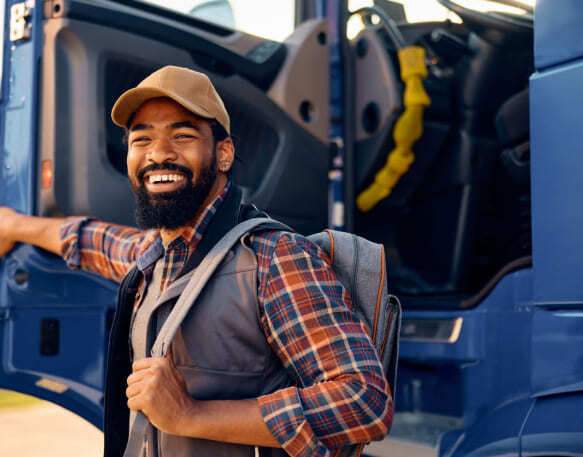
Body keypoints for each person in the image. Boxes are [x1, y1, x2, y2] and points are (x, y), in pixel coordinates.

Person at [0, 66, 392, 457]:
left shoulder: (276, 259)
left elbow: (363, 401)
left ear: (223, 154)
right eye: (142, 139)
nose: (159, 153)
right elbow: (94, 241)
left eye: (182, 135)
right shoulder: (153, 258)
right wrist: (15, 225)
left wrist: (190, 415)